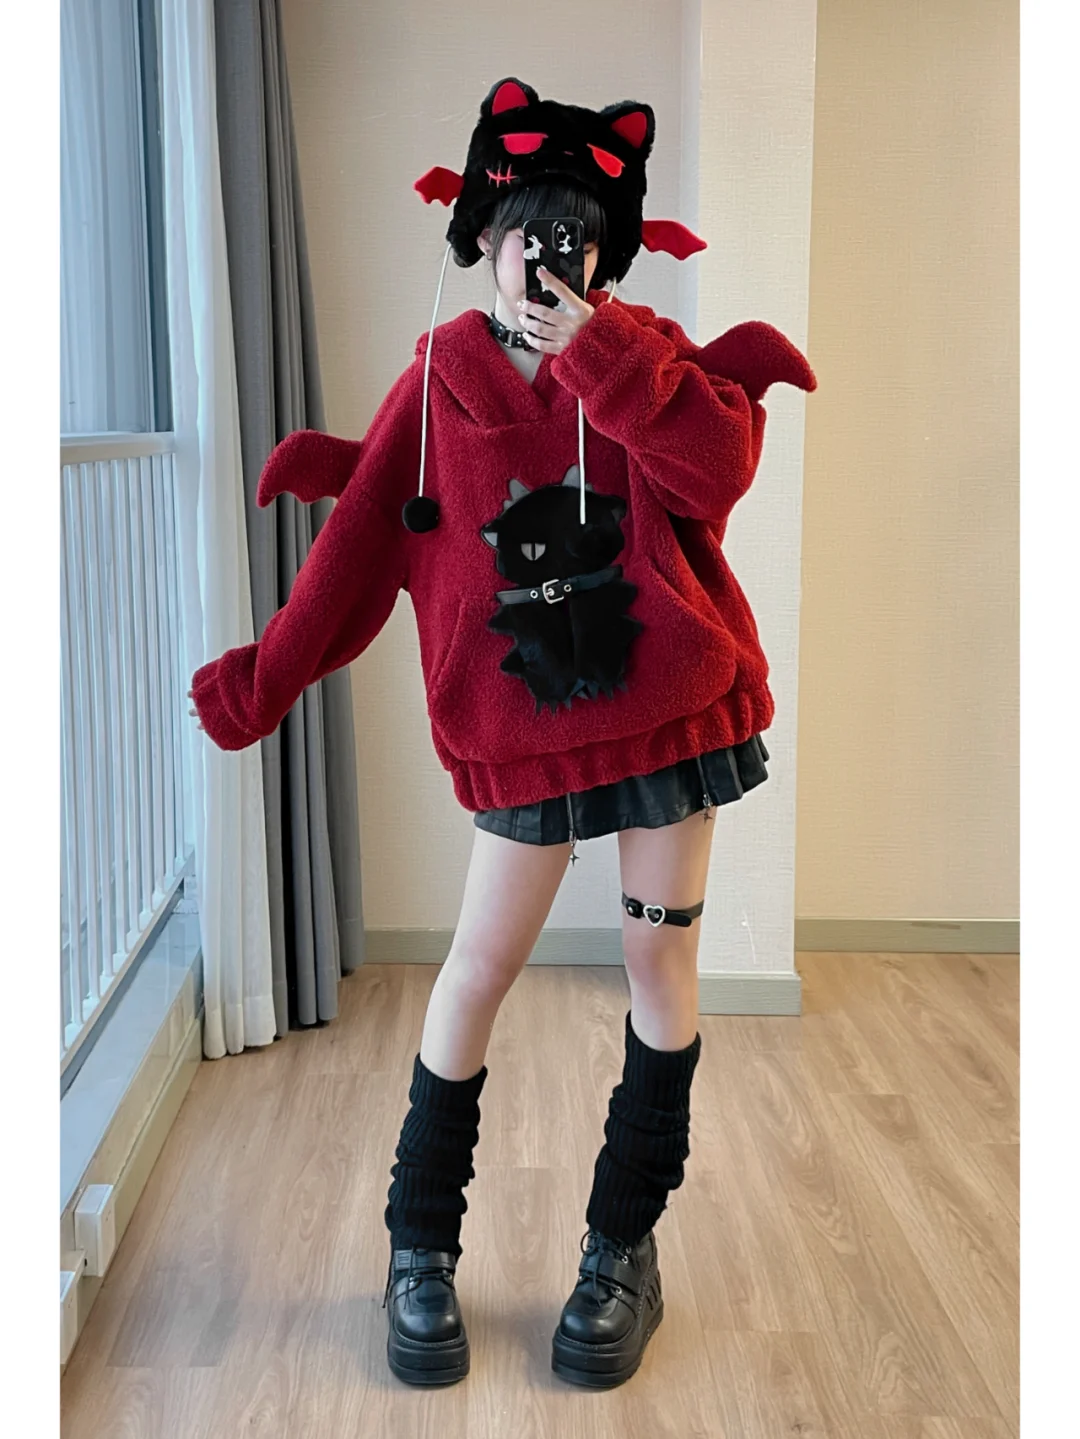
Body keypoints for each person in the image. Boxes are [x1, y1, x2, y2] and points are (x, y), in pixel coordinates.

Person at [188, 75, 816, 1391]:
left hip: (670, 726)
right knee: (474, 972)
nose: (543, 254)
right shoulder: (437, 388)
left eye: (570, 231)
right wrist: (269, 675)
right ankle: (418, 1247)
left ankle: (621, 1249)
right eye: (525, 226)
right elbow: (357, 555)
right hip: (523, 742)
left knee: (658, 969)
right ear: (481, 232)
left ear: (605, 250)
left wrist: (599, 350)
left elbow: (719, 472)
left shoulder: (645, 356)